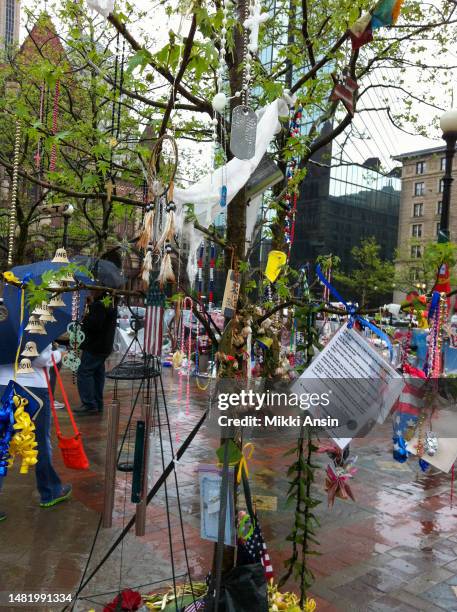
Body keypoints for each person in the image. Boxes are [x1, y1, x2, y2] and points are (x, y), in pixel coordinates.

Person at [0, 343, 72, 520]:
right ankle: (50, 491)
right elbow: (41, 358)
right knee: (39, 440)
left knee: (3, 442)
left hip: (2, 384)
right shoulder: (36, 317)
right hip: (32, 388)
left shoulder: (5, 318)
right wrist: (58, 354)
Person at [75, 290, 117, 415]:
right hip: (104, 346)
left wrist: (86, 314)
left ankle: (89, 404)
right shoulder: (111, 303)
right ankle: (97, 403)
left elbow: (94, 325)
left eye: (94, 289)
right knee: (97, 374)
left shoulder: (99, 305)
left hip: (95, 346)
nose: (91, 291)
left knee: (85, 372)